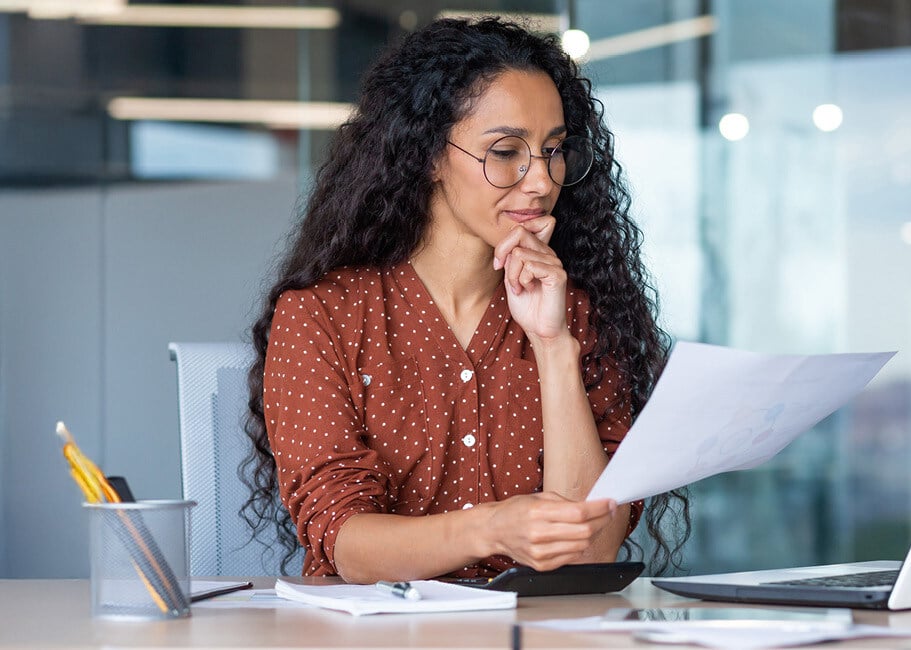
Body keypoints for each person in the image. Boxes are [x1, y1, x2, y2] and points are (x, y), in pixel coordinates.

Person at [241, 17, 688, 583]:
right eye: (505, 151)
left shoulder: (572, 312)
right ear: (427, 154)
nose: (540, 181)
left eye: (553, 151)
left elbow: (590, 551)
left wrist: (552, 348)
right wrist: (491, 529)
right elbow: (346, 545)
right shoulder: (323, 316)